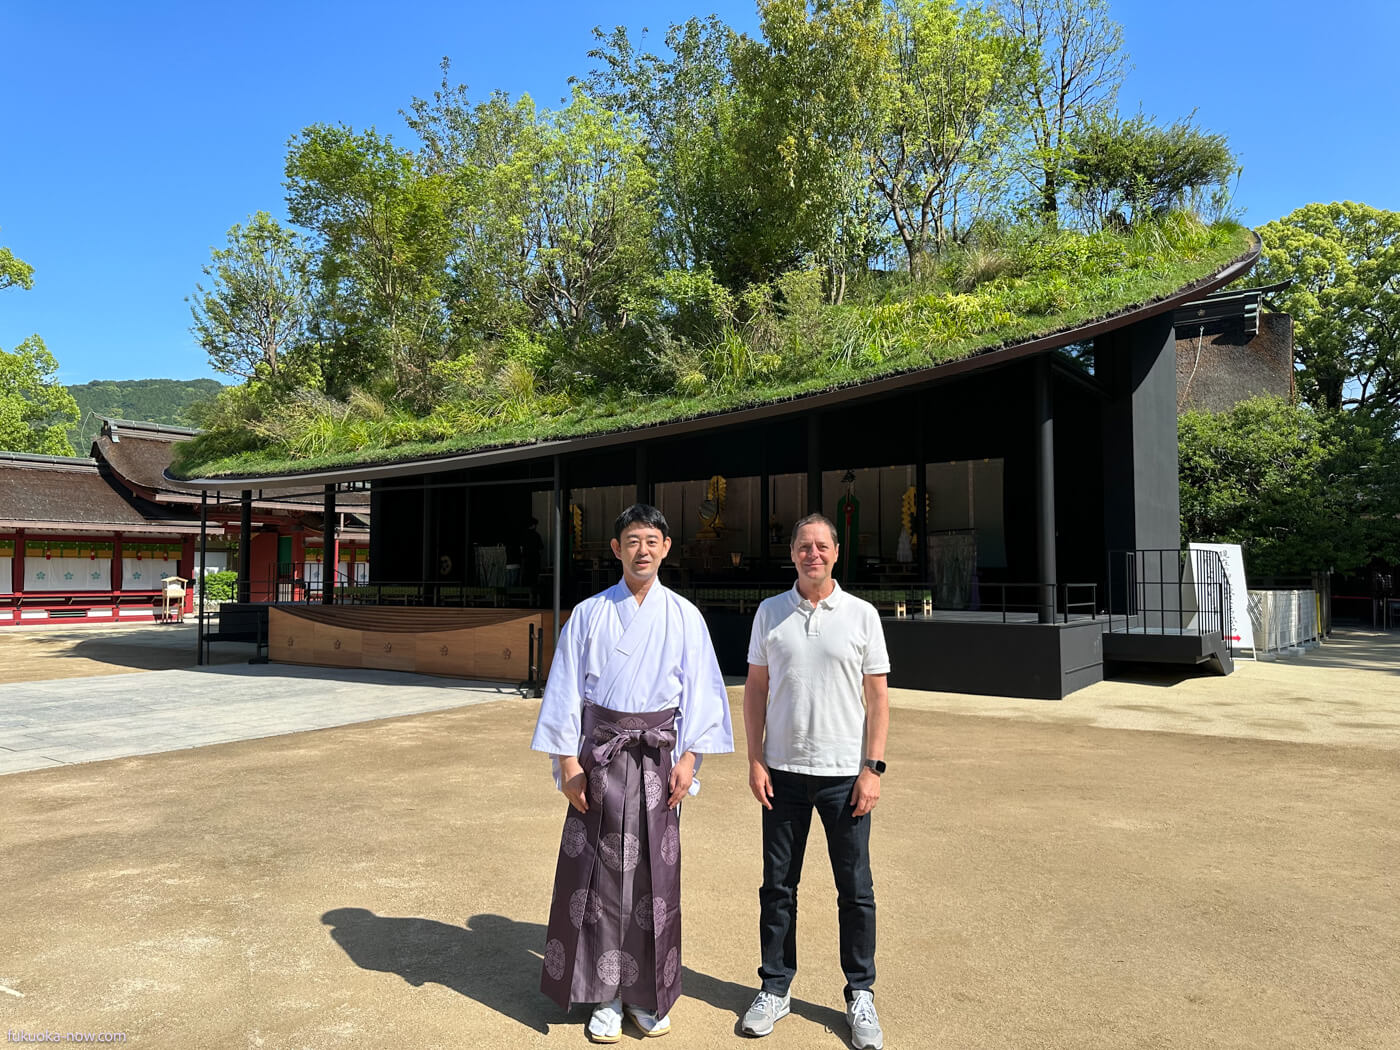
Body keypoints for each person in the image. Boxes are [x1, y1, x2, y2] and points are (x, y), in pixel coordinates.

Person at [531, 503, 734, 1043]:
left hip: (658, 759)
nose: (642, 550)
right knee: (597, 880)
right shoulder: (588, 613)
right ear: (616, 549)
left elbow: (702, 693)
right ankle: (603, 995)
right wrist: (566, 762)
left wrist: (689, 759)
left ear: (665, 548)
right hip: (600, 757)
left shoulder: (685, 616)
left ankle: (646, 994)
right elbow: (565, 688)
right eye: (632, 541)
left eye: (651, 540)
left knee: (653, 882)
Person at [740, 512, 890, 1050]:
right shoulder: (770, 612)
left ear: (836, 552)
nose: (813, 554)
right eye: (804, 546)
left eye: (822, 546)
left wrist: (873, 768)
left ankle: (860, 993)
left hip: (844, 777)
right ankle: (775, 987)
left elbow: (878, 698)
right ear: (792, 553)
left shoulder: (862, 615)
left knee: (855, 890)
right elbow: (755, 690)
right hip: (782, 773)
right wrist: (755, 758)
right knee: (778, 887)